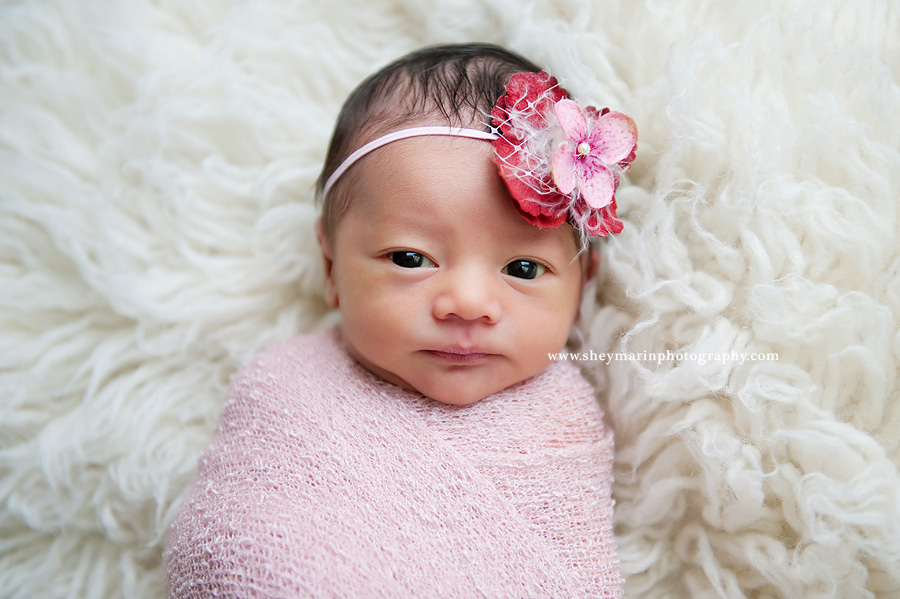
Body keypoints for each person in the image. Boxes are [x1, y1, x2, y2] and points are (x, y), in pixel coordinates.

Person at [165, 42, 637, 598]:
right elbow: (228, 544)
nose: (467, 303)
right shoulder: (286, 390)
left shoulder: (564, 421)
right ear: (331, 268)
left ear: (582, 287)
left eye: (524, 267)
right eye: (411, 259)